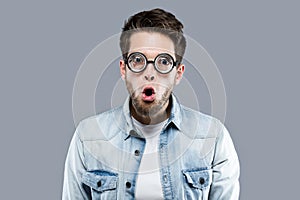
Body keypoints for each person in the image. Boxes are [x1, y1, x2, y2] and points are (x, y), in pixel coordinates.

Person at [62, 8, 240, 200]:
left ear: (178, 73)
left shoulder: (213, 137)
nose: (150, 73)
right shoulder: (88, 136)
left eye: (163, 61)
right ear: (124, 70)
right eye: (137, 60)